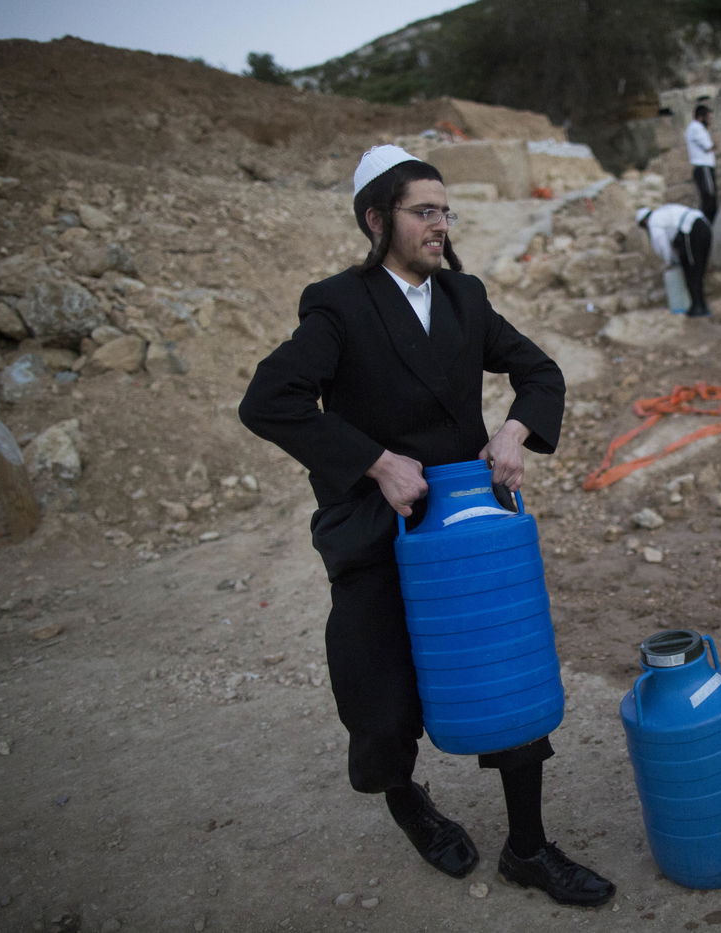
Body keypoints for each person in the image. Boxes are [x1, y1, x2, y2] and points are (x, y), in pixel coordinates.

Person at [238, 146, 614, 907]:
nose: (440, 224)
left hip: (462, 521)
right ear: (377, 220)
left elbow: (540, 372)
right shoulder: (338, 304)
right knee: (379, 694)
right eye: (424, 211)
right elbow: (269, 400)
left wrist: (514, 432)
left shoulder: (465, 297)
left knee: (503, 667)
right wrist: (376, 461)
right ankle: (408, 799)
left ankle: (528, 848)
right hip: (375, 523)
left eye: (445, 210)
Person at [637, 203, 713, 318]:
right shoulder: (662, 213)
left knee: (692, 271)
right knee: (697, 270)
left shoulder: (653, 221)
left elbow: (661, 244)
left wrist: (669, 261)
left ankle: (698, 306)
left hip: (692, 230)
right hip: (704, 226)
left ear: (644, 221)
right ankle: (700, 306)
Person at [686, 104, 718, 222]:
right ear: (701, 117)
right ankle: (709, 222)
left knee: (710, 196)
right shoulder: (696, 128)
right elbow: (708, 146)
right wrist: (714, 145)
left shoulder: (698, 128)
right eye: (708, 117)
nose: (710, 120)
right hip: (703, 166)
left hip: (705, 167)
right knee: (709, 197)